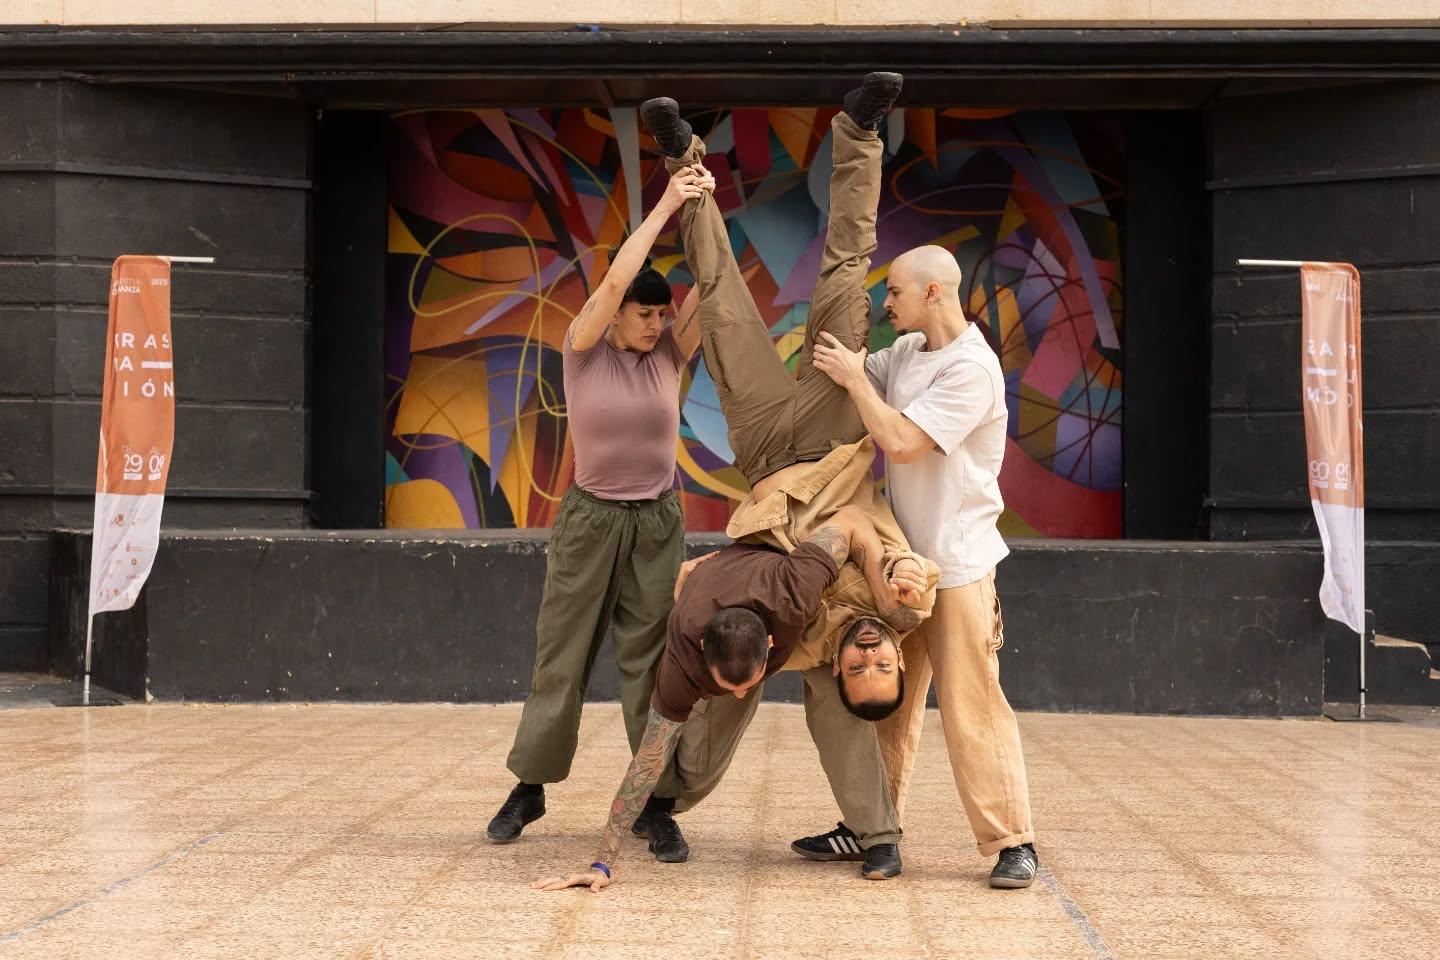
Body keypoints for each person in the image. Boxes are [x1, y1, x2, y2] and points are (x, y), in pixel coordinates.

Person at [531, 72, 936, 892]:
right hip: (826, 430)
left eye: (863, 667)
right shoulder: (824, 613)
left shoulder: (746, 617)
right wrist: (603, 857)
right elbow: (858, 538)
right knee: (839, 278)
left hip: (765, 453)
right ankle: (858, 135)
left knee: (729, 299)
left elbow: (829, 543)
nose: (868, 658)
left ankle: (707, 155)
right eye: (879, 662)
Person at [485, 164, 716, 854]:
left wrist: (702, 210)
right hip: (591, 520)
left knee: (652, 665)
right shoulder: (582, 351)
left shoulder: (669, 354)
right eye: (645, 314)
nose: (656, 323)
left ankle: (654, 803)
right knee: (563, 656)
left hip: (657, 522)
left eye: (661, 314)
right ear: (614, 314)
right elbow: (615, 280)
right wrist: (666, 203)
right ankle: (529, 787)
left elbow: (713, 284)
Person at [809, 243, 1040, 889]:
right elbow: (849, 373)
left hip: (958, 567)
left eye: (895, 292)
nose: (886, 303)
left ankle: (1012, 841)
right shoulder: (909, 352)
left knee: (972, 706)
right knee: (886, 700)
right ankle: (873, 828)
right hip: (899, 566)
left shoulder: (973, 369)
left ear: (933, 293)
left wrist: (857, 379)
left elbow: (904, 442)